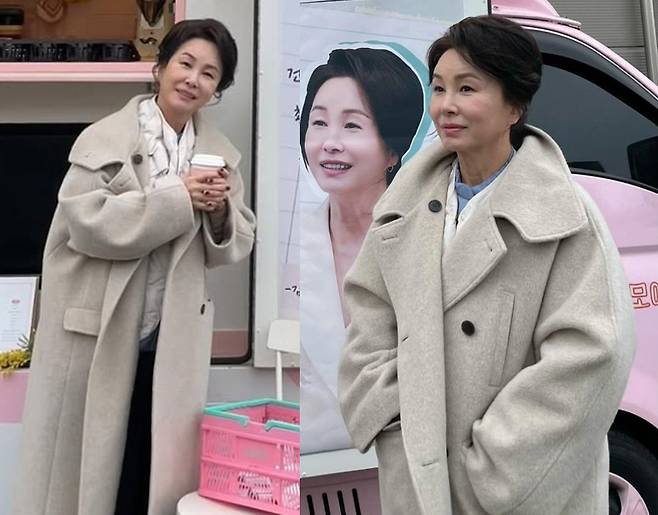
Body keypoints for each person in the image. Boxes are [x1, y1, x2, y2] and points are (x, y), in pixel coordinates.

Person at [338, 15, 636, 515]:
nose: (446, 105)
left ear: (514, 106)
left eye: (467, 88)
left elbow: (592, 356)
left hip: (516, 490)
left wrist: (497, 467)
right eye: (439, 88)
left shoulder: (563, 214)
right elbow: (368, 313)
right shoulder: (403, 205)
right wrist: (393, 416)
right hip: (419, 475)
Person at [13, 19, 255, 515]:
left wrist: (219, 211)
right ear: (160, 66)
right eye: (185, 64)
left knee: (150, 466)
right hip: (97, 331)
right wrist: (178, 198)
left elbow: (234, 245)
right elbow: (88, 225)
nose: (193, 79)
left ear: (216, 90)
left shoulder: (219, 159)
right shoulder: (105, 139)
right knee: (92, 471)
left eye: (209, 74)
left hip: (171, 337)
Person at [299, 47, 423, 453]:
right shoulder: (289, 245)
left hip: (404, 459)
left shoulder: (425, 239)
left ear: (393, 149)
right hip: (311, 465)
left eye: (352, 126)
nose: (330, 143)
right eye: (318, 122)